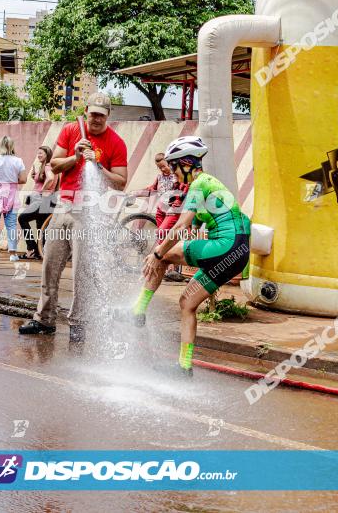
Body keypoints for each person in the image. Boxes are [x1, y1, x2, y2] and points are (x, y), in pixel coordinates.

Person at [130, 136, 250, 376]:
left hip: (226, 245)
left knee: (162, 256)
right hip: (238, 253)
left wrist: (157, 253)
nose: (173, 174)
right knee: (187, 302)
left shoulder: (199, 184)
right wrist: (172, 250)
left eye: (174, 167)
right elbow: (192, 229)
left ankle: (137, 311)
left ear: (186, 163)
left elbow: (181, 226)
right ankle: (184, 367)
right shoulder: (206, 186)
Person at [18, 92, 128, 342]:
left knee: (82, 273)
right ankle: (44, 320)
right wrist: (75, 157)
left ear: (108, 115)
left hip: (91, 213)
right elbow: (54, 165)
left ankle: (78, 324)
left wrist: (98, 167)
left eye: (101, 114)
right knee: (50, 266)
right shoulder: (70, 131)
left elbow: (121, 182)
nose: (96, 119)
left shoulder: (116, 143)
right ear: (86, 112)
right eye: (92, 114)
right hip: (63, 208)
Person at [138, 152, 188, 282]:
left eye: (164, 166)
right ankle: (167, 268)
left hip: (172, 210)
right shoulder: (160, 177)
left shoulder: (176, 176)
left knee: (163, 233)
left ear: (169, 164)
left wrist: (177, 203)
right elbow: (152, 189)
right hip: (161, 210)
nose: (163, 169)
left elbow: (183, 190)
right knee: (163, 238)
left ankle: (172, 268)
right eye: (160, 167)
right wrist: (137, 193)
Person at [0, 135, 27, 261]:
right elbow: (23, 179)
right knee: (12, 225)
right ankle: (13, 254)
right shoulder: (18, 161)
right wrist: (12, 179)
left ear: (0, 145)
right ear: (12, 146)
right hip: (12, 195)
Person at [17, 145, 59, 260]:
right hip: (49, 201)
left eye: (41, 153)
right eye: (38, 153)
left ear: (47, 155)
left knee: (22, 218)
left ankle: (32, 249)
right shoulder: (49, 167)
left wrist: (43, 190)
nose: (39, 155)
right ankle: (40, 252)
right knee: (41, 227)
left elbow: (50, 178)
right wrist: (36, 177)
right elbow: (48, 178)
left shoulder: (48, 166)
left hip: (42, 200)